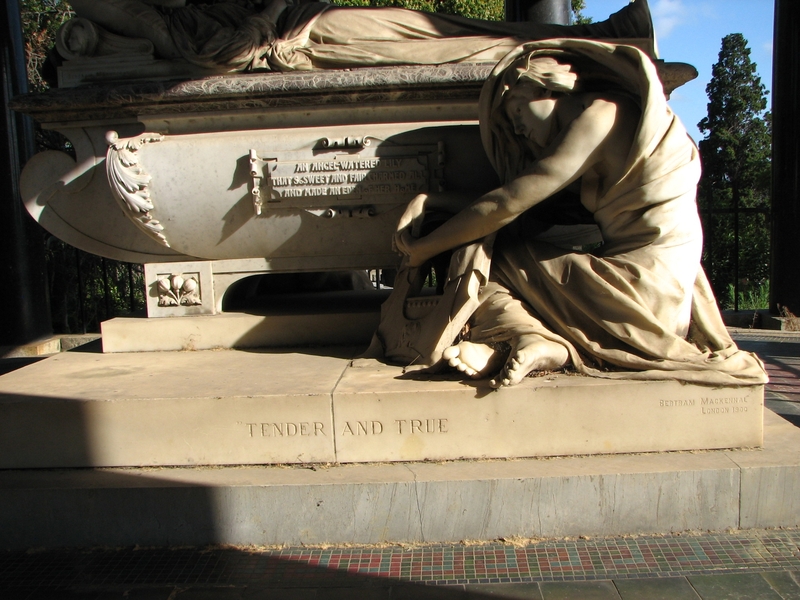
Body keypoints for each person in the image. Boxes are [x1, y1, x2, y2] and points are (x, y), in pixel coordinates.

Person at [392, 39, 768, 387]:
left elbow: (507, 205)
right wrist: (437, 200)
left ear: (546, 88)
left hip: (640, 298)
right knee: (492, 244)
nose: (519, 130)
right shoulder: (600, 133)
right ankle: (533, 343)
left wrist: (424, 248)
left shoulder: (600, 117)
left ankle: (524, 335)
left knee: (486, 252)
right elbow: (524, 207)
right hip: (662, 296)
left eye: (517, 112)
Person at [67, 0, 656, 72]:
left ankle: (601, 32)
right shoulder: (180, 31)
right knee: (455, 47)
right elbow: (237, 52)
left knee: (448, 26)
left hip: (311, 18)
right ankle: (599, 45)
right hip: (314, 41)